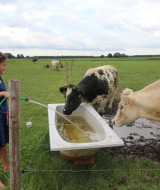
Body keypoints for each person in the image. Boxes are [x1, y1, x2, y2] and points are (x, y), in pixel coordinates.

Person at [0, 52, 9, 189]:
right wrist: (2, 93)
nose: (5, 68)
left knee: (2, 143)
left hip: (2, 114)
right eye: (3, 65)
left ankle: (7, 167)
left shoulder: (0, 78)